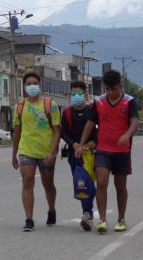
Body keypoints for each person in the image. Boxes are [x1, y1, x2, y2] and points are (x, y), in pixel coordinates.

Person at [76, 70, 140, 234]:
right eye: (109, 89)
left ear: (121, 86)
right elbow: (90, 123)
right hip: (103, 149)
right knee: (102, 182)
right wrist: (81, 144)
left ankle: (121, 218)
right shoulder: (99, 102)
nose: (111, 93)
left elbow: (134, 122)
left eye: (115, 89)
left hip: (122, 151)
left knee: (120, 186)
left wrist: (127, 135)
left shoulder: (129, 101)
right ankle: (102, 220)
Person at [12, 71, 61, 232]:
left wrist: (52, 151)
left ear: (39, 86)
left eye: (35, 83)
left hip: (46, 151)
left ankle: (51, 209)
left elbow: (57, 130)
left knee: (48, 184)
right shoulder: (20, 106)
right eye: (28, 84)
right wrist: (14, 154)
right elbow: (17, 131)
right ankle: (29, 219)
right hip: (26, 150)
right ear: (24, 86)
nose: (32, 86)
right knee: (27, 182)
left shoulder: (49, 104)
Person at [61, 81, 97, 231]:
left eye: (79, 93)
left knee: (90, 185)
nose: (76, 96)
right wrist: (75, 144)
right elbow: (64, 133)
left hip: (91, 155)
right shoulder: (67, 113)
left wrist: (92, 143)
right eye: (73, 93)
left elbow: (98, 132)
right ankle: (87, 213)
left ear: (85, 94)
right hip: (74, 155)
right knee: (81, 184)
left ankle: (88, 212)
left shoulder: (92, 112)